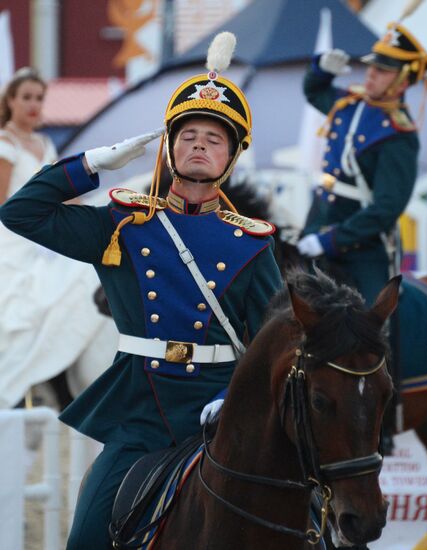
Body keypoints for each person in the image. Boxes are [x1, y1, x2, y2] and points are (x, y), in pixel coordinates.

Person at [0, 33, 283, 548]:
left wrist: (233, 399)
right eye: (189, 134)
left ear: (232, 157)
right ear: (171, 148)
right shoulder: (125, 224)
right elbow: (19, 213)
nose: (199, 143)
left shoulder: (251, 243)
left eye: (214, 138)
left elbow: (273, 344)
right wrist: (91, 165)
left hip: (221, 414)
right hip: (141, 416)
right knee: (86, 537)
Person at [297, 22, 427, 305]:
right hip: (316, 225)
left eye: (382, 70)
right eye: (372, 66)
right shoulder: (350, 104)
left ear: (403, 82)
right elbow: (313, 91)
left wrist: (331, 241)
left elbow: (386, 208)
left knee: (372, 328)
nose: (370, 73)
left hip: (360, 250)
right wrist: (322, 68)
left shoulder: (398, 135)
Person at [0, 67, 104, 408]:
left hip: (45, 233)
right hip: (14, 236)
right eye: (26, 97)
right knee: (31, 299)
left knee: (81, 273)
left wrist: (92, 208)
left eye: (39, 98)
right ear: (11, 101)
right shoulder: (5, 144)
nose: (33, 104)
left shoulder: (44, 143)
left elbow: (63, 192)